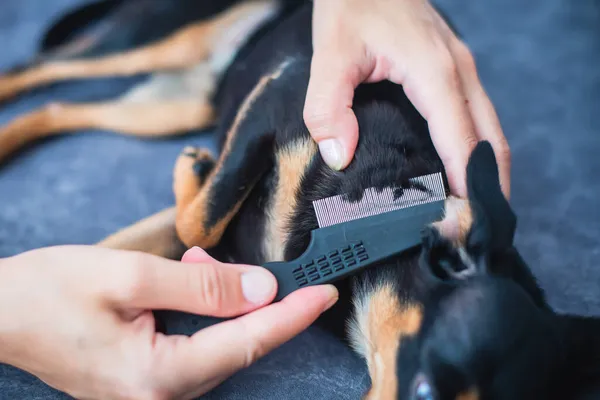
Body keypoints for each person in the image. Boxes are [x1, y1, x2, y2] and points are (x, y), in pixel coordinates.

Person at [0, 0, 510, 399]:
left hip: (218, 98)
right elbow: (282, 93)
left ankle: (49, 118)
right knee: (121, 58)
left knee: (130, 122)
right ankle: (25, 80)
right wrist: (197, 222)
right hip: (266, 25)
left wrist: (35, 296)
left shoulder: (371, 297)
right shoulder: (410, 218)